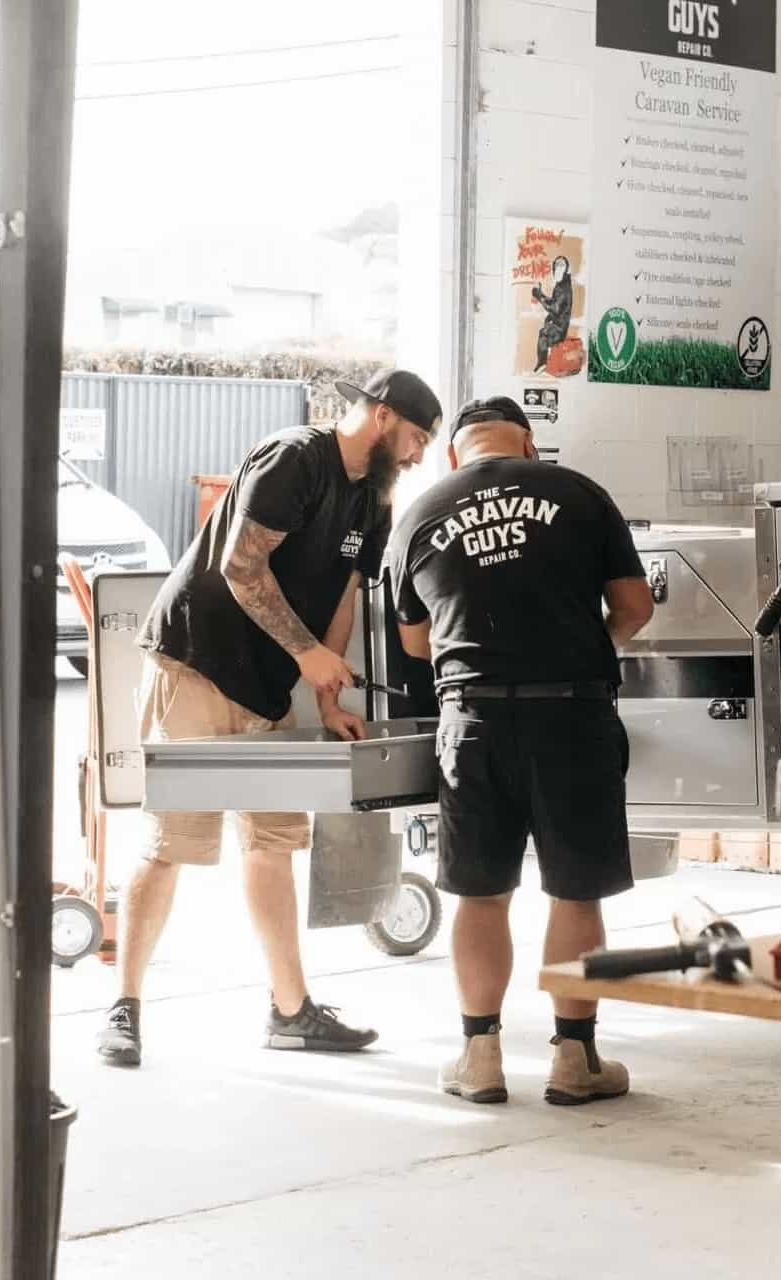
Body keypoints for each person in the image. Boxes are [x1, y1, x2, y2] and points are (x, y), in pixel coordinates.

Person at [97, 369, 443, 1067]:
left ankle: (290, 1011)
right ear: (379, 416)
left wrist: (325, 693)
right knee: (172, 842)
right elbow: (240, 566)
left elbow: (343, 593)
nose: (415, 456)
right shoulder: (295, 456)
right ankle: (124, 1009)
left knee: (274, 841)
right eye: (413, 438)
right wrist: (307, 653)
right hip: (197, 662)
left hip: (270, 685)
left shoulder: (373, 497)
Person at [383, 396, 654, 1105]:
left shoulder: (418, 511)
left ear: (453, 452)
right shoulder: (579, 494)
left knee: (478, 890)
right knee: (574, 888)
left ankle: (480, 1058)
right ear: (528, 444)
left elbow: (416, 643)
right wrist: (588, 647)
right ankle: (574, 1060)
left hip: (471, 722)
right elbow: (634, 607)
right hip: (571, 715)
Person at [530, 255, 573, 374]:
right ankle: (546, 360)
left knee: (543, 334)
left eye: (562, 265)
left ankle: (542, 363)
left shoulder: (563, 289)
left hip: (560, 328)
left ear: (566, 269)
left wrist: (539, 296)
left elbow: (554, 309)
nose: (558, 269)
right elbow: (554, 303)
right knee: (545, 328)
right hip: (558, 323)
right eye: (557, 265)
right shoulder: (561, 285)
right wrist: (540, 294)